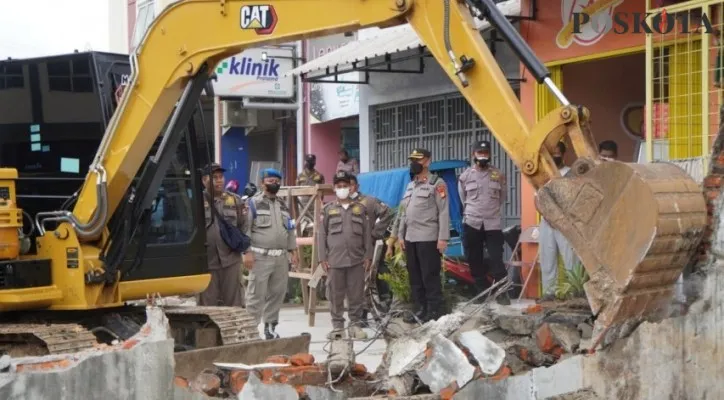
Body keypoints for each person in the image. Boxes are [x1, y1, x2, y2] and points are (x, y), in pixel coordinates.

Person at [243, 168, 300, 340]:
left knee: (277, 294)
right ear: (262, 182)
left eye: (276, 180)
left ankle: (270, 328)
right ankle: (251, 331)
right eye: (270, 180)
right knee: (255, 295)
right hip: (260, 257)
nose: (274, 183)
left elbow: (290, 229)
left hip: (281, 257)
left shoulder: (283, 205)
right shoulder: (253, 203)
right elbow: (245, 229)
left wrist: (294, 251)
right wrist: (246, 252)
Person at [318, 171, 373, 340]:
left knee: (356, 294)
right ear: (334, 188)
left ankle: (355, 325)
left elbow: (366, 234)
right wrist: (322, 258)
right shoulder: (328, 210)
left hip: (357, 259)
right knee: (335, 294)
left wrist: (368, 256)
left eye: (345, 186)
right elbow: (322, 235)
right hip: (335, 260)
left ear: (351, 188)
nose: (342, 189)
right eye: (339, 186)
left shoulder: (360, 209)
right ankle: (338, 327)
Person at [397, 148, 450, 323]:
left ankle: (435, 310)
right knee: (415, 276)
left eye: (418, 160)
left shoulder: (437, 183)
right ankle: (420, 309)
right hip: (410, 238)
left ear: (427, 161)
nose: (414, 163)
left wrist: (443, 238)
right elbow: (403, 212)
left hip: (428, 237)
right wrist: (400, 235)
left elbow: (443, 212)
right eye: (412, 160)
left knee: (429, 276)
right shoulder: (410, 185)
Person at [458, 140, 510, 305]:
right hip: (472, 222)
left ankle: (502, 292)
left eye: (485, 153)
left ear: (489, 155)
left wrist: (489, 211)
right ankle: (481, 291)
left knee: (496, 257)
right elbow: (463, 198)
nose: (483, 156)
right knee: (474, 258)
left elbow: (502, 197)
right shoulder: (465, 176)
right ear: (473, 154)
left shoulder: (498, 174)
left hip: (492, 223)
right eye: (480, 153)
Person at [349, 174, 394, 325]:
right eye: (342, 186)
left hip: (369, 248)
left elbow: (388, 212)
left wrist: (375, 233)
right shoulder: (339, 204)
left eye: (350, 185)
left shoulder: (369, 201)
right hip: (349, 250)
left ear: (356, 186)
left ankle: (374, 311)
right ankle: (360, 314)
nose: (346, 189)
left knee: (373, 279)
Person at [199, 163, 246, 307]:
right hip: (207, 262)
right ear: (204, 180)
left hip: (231, 260)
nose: (219, 181)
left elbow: (243, 226)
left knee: (234, 303)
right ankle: (208, 331)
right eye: (214, 178)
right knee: (207, 306)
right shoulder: (196, 201)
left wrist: (247, 251)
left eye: (221, 177)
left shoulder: (235, 200)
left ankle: (234, 330)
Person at [539, 142, 580, 301]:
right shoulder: (543, 174)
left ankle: (575, 293)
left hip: (566, 223)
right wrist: (547, 215)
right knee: (547, 259)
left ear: (563, 154)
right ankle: (549, 294)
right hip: (546, 221)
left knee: (571, 259)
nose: (554, 156)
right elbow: (538, 198)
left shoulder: (571, 174)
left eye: (557, 153)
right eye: (552, 153)